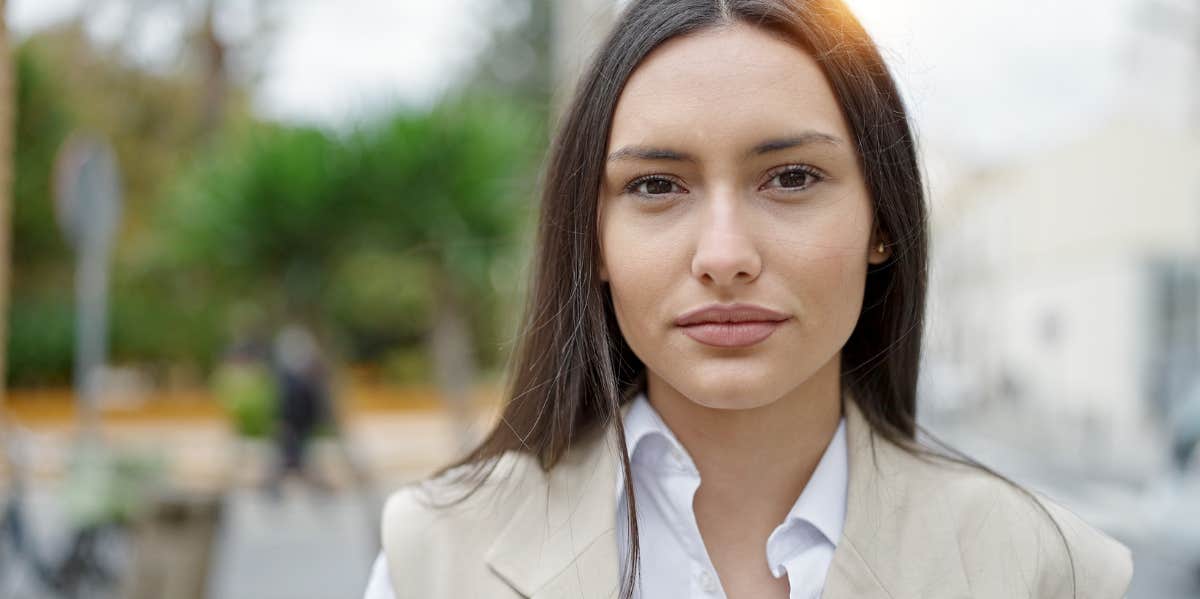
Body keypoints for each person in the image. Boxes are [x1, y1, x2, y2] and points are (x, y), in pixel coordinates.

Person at [363, 0, 1133, 597]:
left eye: (792, 177)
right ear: (592, 238)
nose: (724, 256)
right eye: (656, 185)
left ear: (882, 223)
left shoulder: (1045, 568)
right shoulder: (438, 553)